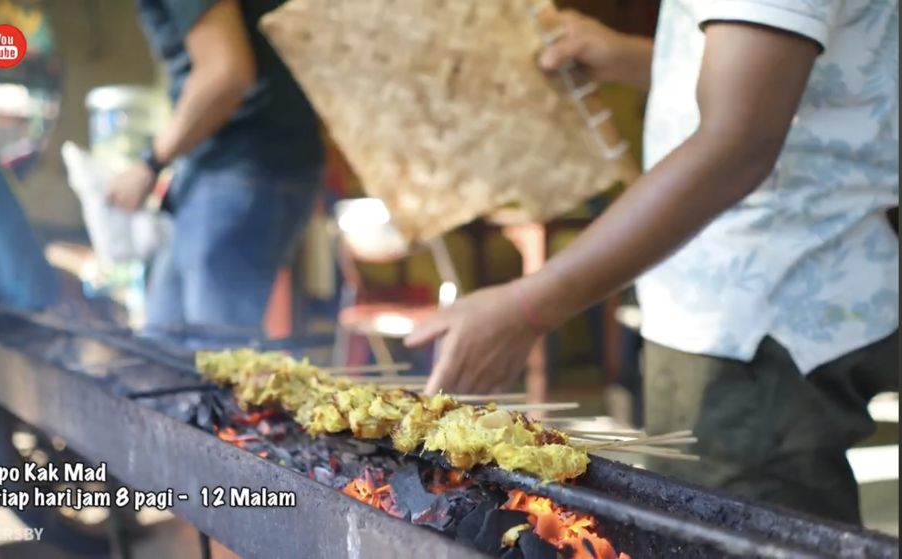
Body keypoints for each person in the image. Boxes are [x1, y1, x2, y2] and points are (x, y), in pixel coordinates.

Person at [406, 2, 898, 524]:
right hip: (758, 310)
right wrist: (630, 58)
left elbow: (739, 142)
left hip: (759, 323)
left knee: (732, 537)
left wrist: (529, 305)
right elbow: (773, 72)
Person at [108, 0, 324, 329]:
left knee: (217, 359)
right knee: (167, 346)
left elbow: (225, 72)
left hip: (243, 165)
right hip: (228, 166)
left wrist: (150, 164)